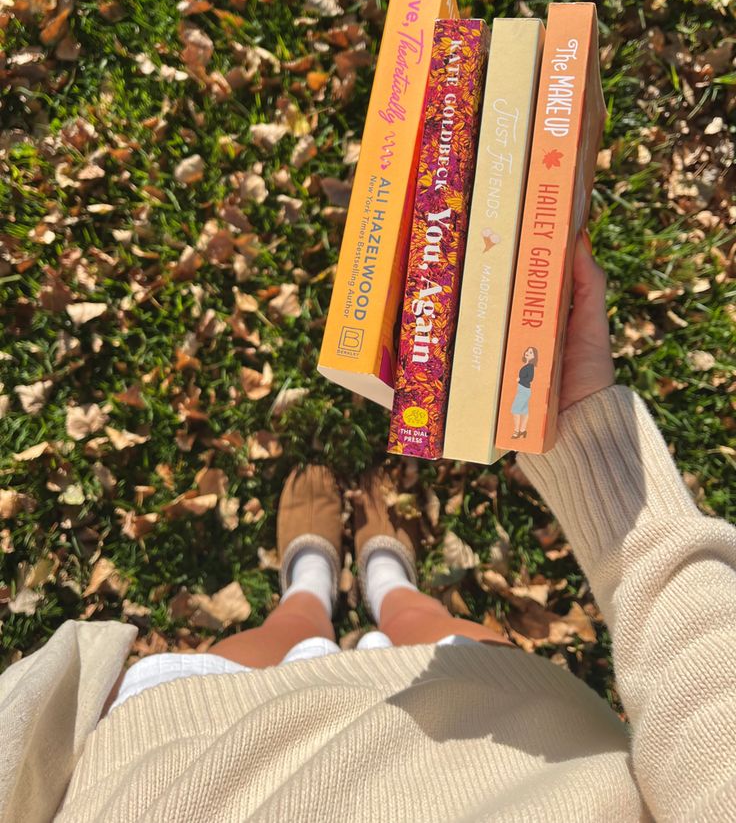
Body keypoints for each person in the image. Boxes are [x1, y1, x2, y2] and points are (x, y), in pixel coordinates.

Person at [2, 231, 736, 822]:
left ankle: (313, 588)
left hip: (191, 765)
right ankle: (383, 578)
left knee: (282, 637)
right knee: (433, 629)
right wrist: (592, 444)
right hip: (513, 747)